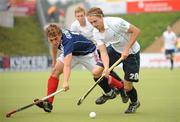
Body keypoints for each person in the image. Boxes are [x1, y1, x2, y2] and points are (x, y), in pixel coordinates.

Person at [34, 23, 125, 112]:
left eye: (55, 39)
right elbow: (54, 47)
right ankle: (49, 103)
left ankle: (121, 87)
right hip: (73, 53)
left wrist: (65, 82)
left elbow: (67, 65)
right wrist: (54, 61)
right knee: (55, 71)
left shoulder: (67, 41)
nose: (54, 42)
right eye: (51, 40)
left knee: (100, 74)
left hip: (88, 53)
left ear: (60, 34)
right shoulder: (56, 37)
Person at [87, 7, 141, 114]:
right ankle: (110, 93)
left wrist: (126, 49)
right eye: (91, 22)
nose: (94, 24)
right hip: (115, 49)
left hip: (132, 53)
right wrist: (106, 68)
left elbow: (136, 31)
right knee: (97, 72)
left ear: (101, 17)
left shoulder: (116, 22)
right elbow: (103, 52)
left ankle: (134, 102)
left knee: (127, 87)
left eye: (95, 21)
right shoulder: (95, 32)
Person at [70, 6, 128, 103]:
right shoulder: (74, 26)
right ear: (75, 17)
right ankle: (112, 91)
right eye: (78, 16)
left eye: (82, 15)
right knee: (101, 71)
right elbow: (74, 39)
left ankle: (119, 89)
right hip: (89, 50)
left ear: (85, 15)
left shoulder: (92, 21)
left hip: (101, 47)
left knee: (105, 69)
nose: (80, 18)